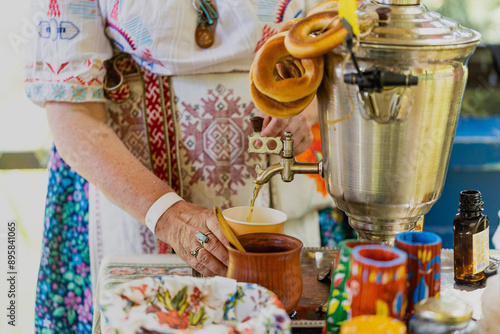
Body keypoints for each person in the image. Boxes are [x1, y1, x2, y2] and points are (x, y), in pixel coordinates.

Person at [25, 1, 331, 332]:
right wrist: (169, 216)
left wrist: (305, 110)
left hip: (293, 213)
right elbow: (71, 109)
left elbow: (340, 52)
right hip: (135, 214)